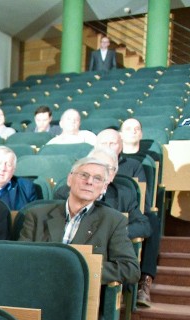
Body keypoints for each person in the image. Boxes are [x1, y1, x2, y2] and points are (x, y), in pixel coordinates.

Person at [19, 155, 140, 286]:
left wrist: (81, 270)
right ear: (70, 179)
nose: (89, 182)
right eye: (84, 175)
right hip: (37, 286)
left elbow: (130, 269)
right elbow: (21, 258)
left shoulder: (113, 221)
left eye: (97, 179)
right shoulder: (37, 215)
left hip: (82, 294)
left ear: (104, 188)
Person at [96, 128, 161, 307]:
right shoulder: (76, 184)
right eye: (104, 143)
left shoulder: (130, 175)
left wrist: (115, 232)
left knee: (152, 219)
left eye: (113, 143)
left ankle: (144, 280)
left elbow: (143, 212)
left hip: (117, 239)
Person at [53, 148, 150, 242]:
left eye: (108, 168)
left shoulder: (124, 195)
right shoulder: (65, 193)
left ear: (113, 174)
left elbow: (143, 225)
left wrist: (114, 233)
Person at [0, 146, 37, 210]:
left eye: (8, 165)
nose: (3, 168)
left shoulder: (26, 188)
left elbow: (34, 217)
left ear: (13, 170)